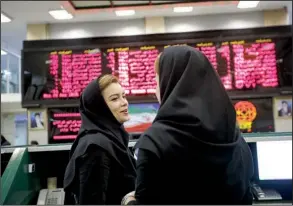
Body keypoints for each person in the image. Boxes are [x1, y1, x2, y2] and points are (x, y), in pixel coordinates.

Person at [123, 46, 254, 205]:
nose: (155, 89)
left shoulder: (154, 143)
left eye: (157, 80)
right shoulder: (236, 140)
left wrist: (128, 200)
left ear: (169, 83)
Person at [63, 74, 136, 205]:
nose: (124, 102)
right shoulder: (96, 147)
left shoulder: (114, 139)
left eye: (123, 96)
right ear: (99, 107)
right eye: (114, 99)